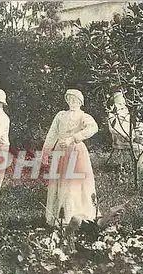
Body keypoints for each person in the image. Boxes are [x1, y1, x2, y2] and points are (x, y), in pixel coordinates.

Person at [42, 89, 99, 228]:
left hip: (76, 151)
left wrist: (74, 138)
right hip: (60, 152)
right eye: (70, 99)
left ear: (80, 102)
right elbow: (52, 133)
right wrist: (46, 151)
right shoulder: (61, 115)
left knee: (73, 182)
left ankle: (75, 214)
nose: (72, 102)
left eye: (75, 100)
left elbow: (93, 128)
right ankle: (58, 215)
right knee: (59, 182)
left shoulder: (83, 116)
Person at [107, 91, 143, 176]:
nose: (124, 100)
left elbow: (133, 123)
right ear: (116, 100)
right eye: (121, 98)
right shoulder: (113, 114)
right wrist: (129, 135)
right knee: (140, 148)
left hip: (132, 135)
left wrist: (141, 127)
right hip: (122, 139)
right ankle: (142, 171)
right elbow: (115, 130)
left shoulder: (125, 110)